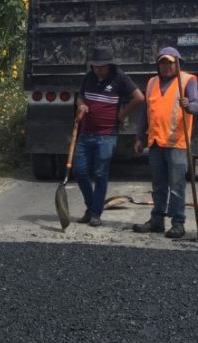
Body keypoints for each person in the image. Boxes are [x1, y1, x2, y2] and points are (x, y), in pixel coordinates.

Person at [131, 47, 198, 239]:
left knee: (177, 185)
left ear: (178, 63)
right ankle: (157, 221)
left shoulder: (187, 80)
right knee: (158, 184)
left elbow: (196, 105)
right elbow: (145, 112)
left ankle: (178, 223)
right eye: (163, 62)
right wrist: (139, 137)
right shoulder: (152, 82)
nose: (166, 66)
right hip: (155, 142)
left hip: (176, 142)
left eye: (170, 62)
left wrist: (189, 105)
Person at [72, 46, 143, 226]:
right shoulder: (89, 77)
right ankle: (91, 206)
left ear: (110, 65)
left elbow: (139, 98)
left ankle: (95, 213)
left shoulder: (120, 78)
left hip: (106, 135)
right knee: (79, 171)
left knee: (100, 172)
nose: (98, 69)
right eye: (95, 66)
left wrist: (121, 115)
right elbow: (80, 96)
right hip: (85, 133)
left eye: (101, 66)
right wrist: (82, 106)